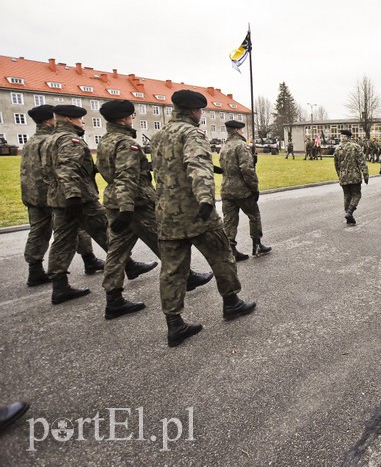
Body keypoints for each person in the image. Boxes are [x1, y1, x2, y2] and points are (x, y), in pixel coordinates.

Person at [151, 90, 256, 347]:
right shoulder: (192, 134)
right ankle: (231, 302)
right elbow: (197, 166)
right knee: (221, 256)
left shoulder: (158, 136)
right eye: (201, 112)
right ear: (195, 111)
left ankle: (174, 324)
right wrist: (206, 199)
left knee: (172, 269)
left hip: (166, 214)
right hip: (196, 211)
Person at [96, 99, 213, 320]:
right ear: (123, 118)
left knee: (116, 251)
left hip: (114, 202)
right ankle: (185, 278)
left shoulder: (104, 141)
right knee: (168, 246)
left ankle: (113, 299)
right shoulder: (125, 143)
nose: (132, 119)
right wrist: (127, 208)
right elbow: (126, 176)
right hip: (136, 205)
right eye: (131, 116)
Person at [42, 105, 156, 305]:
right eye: (79, 118)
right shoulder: (71, 140)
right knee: (112, 237)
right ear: (69, 119)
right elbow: (68, 170)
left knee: (62, 240)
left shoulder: (49, 139)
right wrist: (74, 197)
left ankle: (59, 285)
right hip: (80, 199)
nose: (83, 121)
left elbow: (47, 171)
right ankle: (130, 270)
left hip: (58, 199)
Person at [20, 104, 104, 287]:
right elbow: (64, 169)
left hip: (34, 194)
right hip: (57, 192)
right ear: (47, 120)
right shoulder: (57, 140)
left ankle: (35, 269)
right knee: (73, 229)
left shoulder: (31, 141)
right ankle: (89, 259)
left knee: (39, 231)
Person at [219, 120, 271, 261]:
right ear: (236, 130)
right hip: (242, 190)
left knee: (229, 220)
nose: (242, 132)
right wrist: (254, 188)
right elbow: (247, 169)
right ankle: (257, 244)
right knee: (254, 215)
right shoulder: (242, 146)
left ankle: (231, 250)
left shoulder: (224, 146)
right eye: (241, 129)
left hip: (226, 189)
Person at [333, 129, 369, 224]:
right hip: (354, 176)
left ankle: (348, 215)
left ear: (343, 137)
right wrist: (365, 175)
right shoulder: (355, 147)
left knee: (347, 195)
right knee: (357, 195)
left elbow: (336, 164)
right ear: (349, 137)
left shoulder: (338, 148)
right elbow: (362, 162)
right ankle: (349, 212)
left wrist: (340, 175)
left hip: (343, 176)